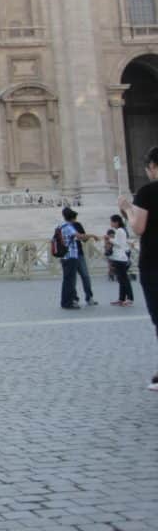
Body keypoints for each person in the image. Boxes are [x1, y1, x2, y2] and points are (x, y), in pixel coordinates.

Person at [118, 146, 158, 391]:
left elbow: (138, 227)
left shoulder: (148, 192)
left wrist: (127, 209)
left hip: (155, 263)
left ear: (153, 166)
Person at [58, 207, 94, 309]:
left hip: (76, 254)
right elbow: (81, 237)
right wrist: (92, 235)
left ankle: (88, 297)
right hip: (71, 255)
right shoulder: (67, 227)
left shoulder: (65, 226)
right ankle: (72, 300)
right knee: (71, 279)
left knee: (83, 276)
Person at [108, 215, 133, 307]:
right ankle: (121, 298)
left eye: (112, 221)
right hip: (120, 257)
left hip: (120, 257)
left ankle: (130, 298)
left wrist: (109, 239)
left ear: (116, 222)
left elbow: (119, 244)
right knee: (121, 279)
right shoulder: (121, 230)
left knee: (124, 279)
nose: (111, 223)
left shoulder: (119, 230)